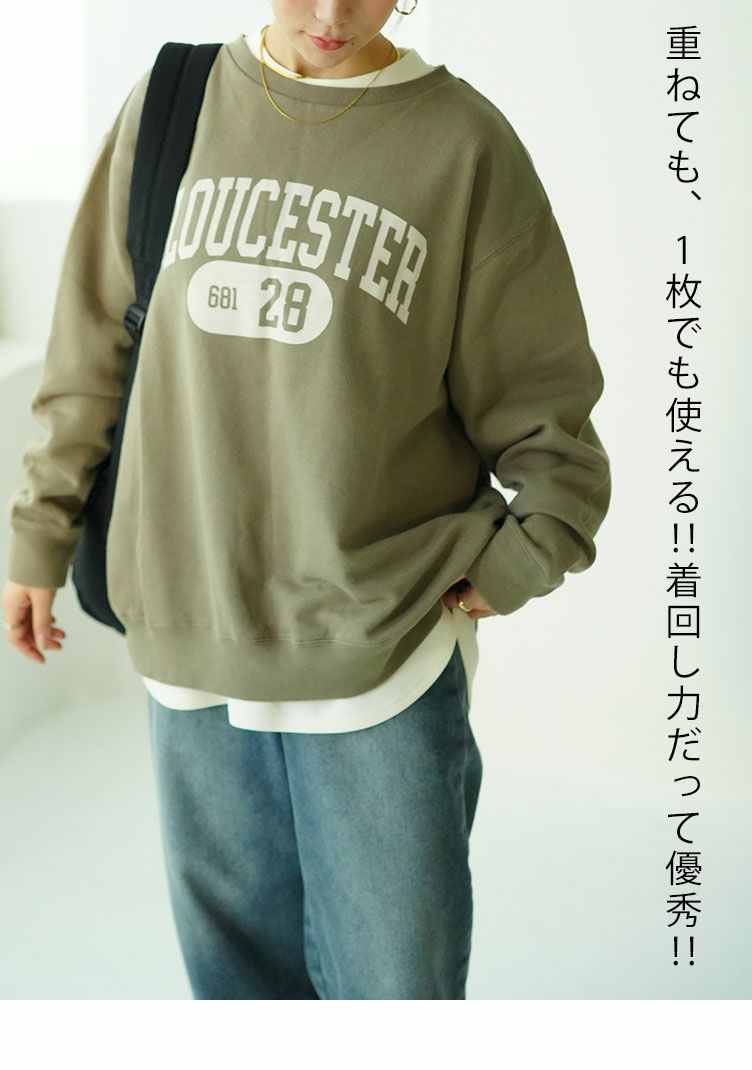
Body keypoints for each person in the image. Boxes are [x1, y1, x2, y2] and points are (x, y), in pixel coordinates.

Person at [2, 1, 611, 998]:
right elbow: (91, 348)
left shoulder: (463, 144)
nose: (331, 13)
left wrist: (529, 549)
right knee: (237, 991)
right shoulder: (175, 103)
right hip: (190, 630)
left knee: (396, 990)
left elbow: (545, 405)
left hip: (378, 647)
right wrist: (39, 533)